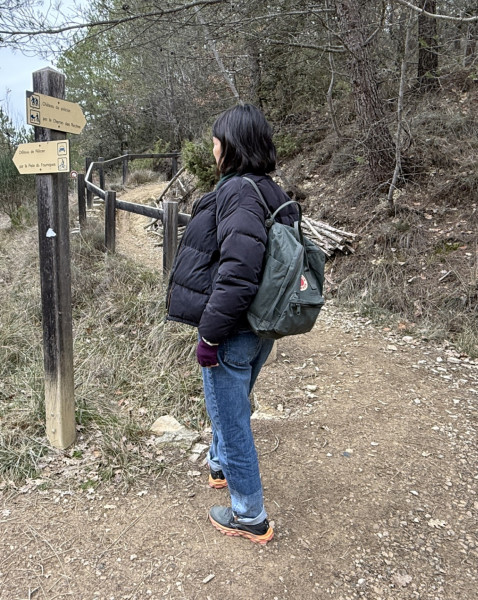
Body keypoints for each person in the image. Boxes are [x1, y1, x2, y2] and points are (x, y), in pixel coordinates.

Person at [166, 104, 299, 545]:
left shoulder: (238, 192)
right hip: (259, 328)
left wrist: (209, 334)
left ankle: (249, 514)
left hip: (233, 329)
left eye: (217, 141)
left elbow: (239, 270)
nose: (214, 148)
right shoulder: (268, 190)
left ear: (233, 146)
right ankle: (219, 465)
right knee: (232, 402)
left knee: (232, 414)